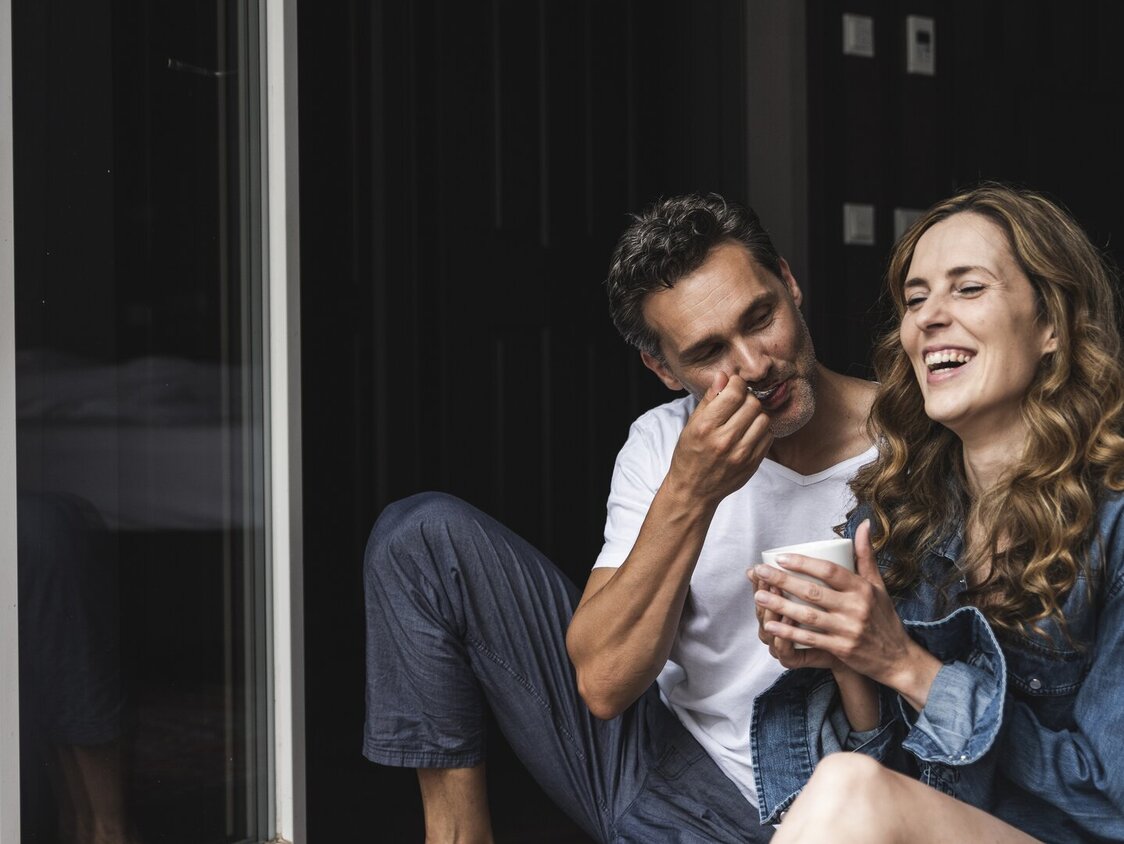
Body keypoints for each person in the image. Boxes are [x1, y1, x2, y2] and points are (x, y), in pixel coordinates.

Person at [363, 192, 877, 842]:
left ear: (788, 282)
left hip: (820, 812)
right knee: (420, 538)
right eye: (709, 352)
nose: (754, 365)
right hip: (657, 767)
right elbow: (604, 685)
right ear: (663, 368)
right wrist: (690, 494)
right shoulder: (662, 443)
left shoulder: (915, 440)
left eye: (759, 317)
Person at [747, 184, 1124, 843]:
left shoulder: (1113, 522)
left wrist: (906, 665)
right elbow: (892, 781)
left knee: (846, 787)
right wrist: (850, 657)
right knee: (847, 782)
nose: (928, 318)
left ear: (1052, 326)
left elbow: (1111, 802)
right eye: (916, 299)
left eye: (968, 288)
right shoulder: (900, 515)